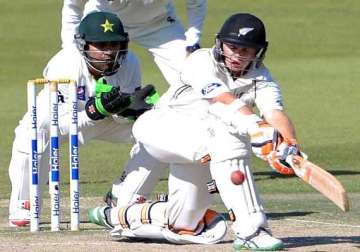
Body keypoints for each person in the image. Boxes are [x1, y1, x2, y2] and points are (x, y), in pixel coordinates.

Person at [88, 13, 303, 250]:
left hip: (201, 148)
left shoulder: (261, 77)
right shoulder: (200, 61)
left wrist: (288, 143)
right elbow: (220, 98)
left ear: (258, 52)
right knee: (231, 138)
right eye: (232, 47)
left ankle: (118, 215)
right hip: (161, 129)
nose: (237, 56)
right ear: (220, 43)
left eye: (246, 50)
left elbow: (274, 113)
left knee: (185, 222)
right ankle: (252, 229)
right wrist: (256, 127)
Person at [8, 11, 157, 227]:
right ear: (84, 45)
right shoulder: (65, 64)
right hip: (58, 120)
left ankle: (123, 196)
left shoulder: (130, 62)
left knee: (154, 130)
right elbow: (56, 125)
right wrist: (91, 113)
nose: (109, 52)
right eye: (101, 46)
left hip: (103, 122)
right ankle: (25, 203)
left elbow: (121, 115)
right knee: (32, 131)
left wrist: (131, 112)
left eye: (114, 45)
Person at [61, 0, 207, 87]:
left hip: (159, 24)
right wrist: (69, 50)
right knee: (90, 73)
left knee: (191, 76)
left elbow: (196, 3)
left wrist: (193, 40)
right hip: (107, 22)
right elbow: (73, 6)